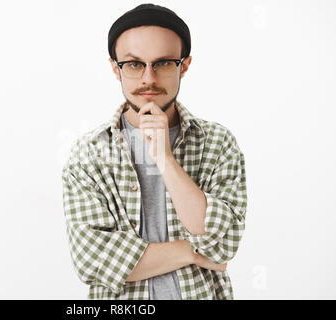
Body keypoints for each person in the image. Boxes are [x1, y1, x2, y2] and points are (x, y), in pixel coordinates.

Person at [61, 3, 247, 300]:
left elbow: (224, 245)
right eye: (134, 64)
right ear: (115, 68)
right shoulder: (88, 154)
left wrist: (165, 158)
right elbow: (93, 261)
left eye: (162, 63)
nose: (148, 78)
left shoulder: (218, 143)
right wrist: (194, 252)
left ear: (183, 66)